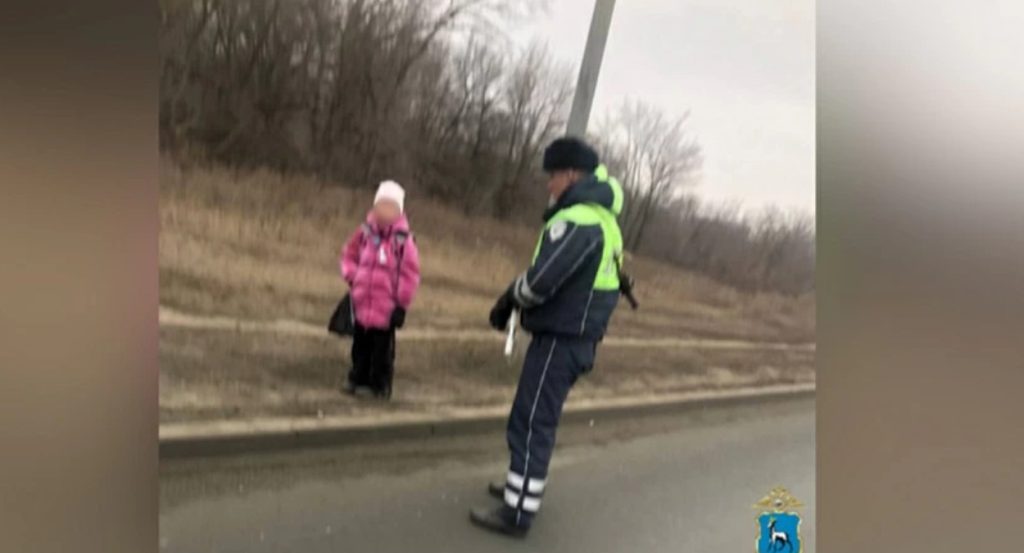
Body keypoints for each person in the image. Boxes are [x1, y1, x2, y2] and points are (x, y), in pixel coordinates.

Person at [469, 137, 625, 537]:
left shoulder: (579, 222)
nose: (548, 185)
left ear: (572, 174)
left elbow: (542, 280)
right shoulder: (604, 220)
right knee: (535, 416)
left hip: (561, 338)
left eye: (552, 175)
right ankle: (520, 487)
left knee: (531, 420)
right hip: (575, 338)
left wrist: (508, 299)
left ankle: (517, 511)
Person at [339, 180, 421, 399]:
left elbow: (410, 274)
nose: (385, 211)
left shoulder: (403, 241)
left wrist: (401, 305)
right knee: (360, 345)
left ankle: (379, 385)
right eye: (381, 205)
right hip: (362, 301)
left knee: (381, 350)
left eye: (391, 207)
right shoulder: (364, 233)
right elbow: (349, 255)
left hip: (386, 308)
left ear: (399, 211)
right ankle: (357, 377)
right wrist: (352, 276)